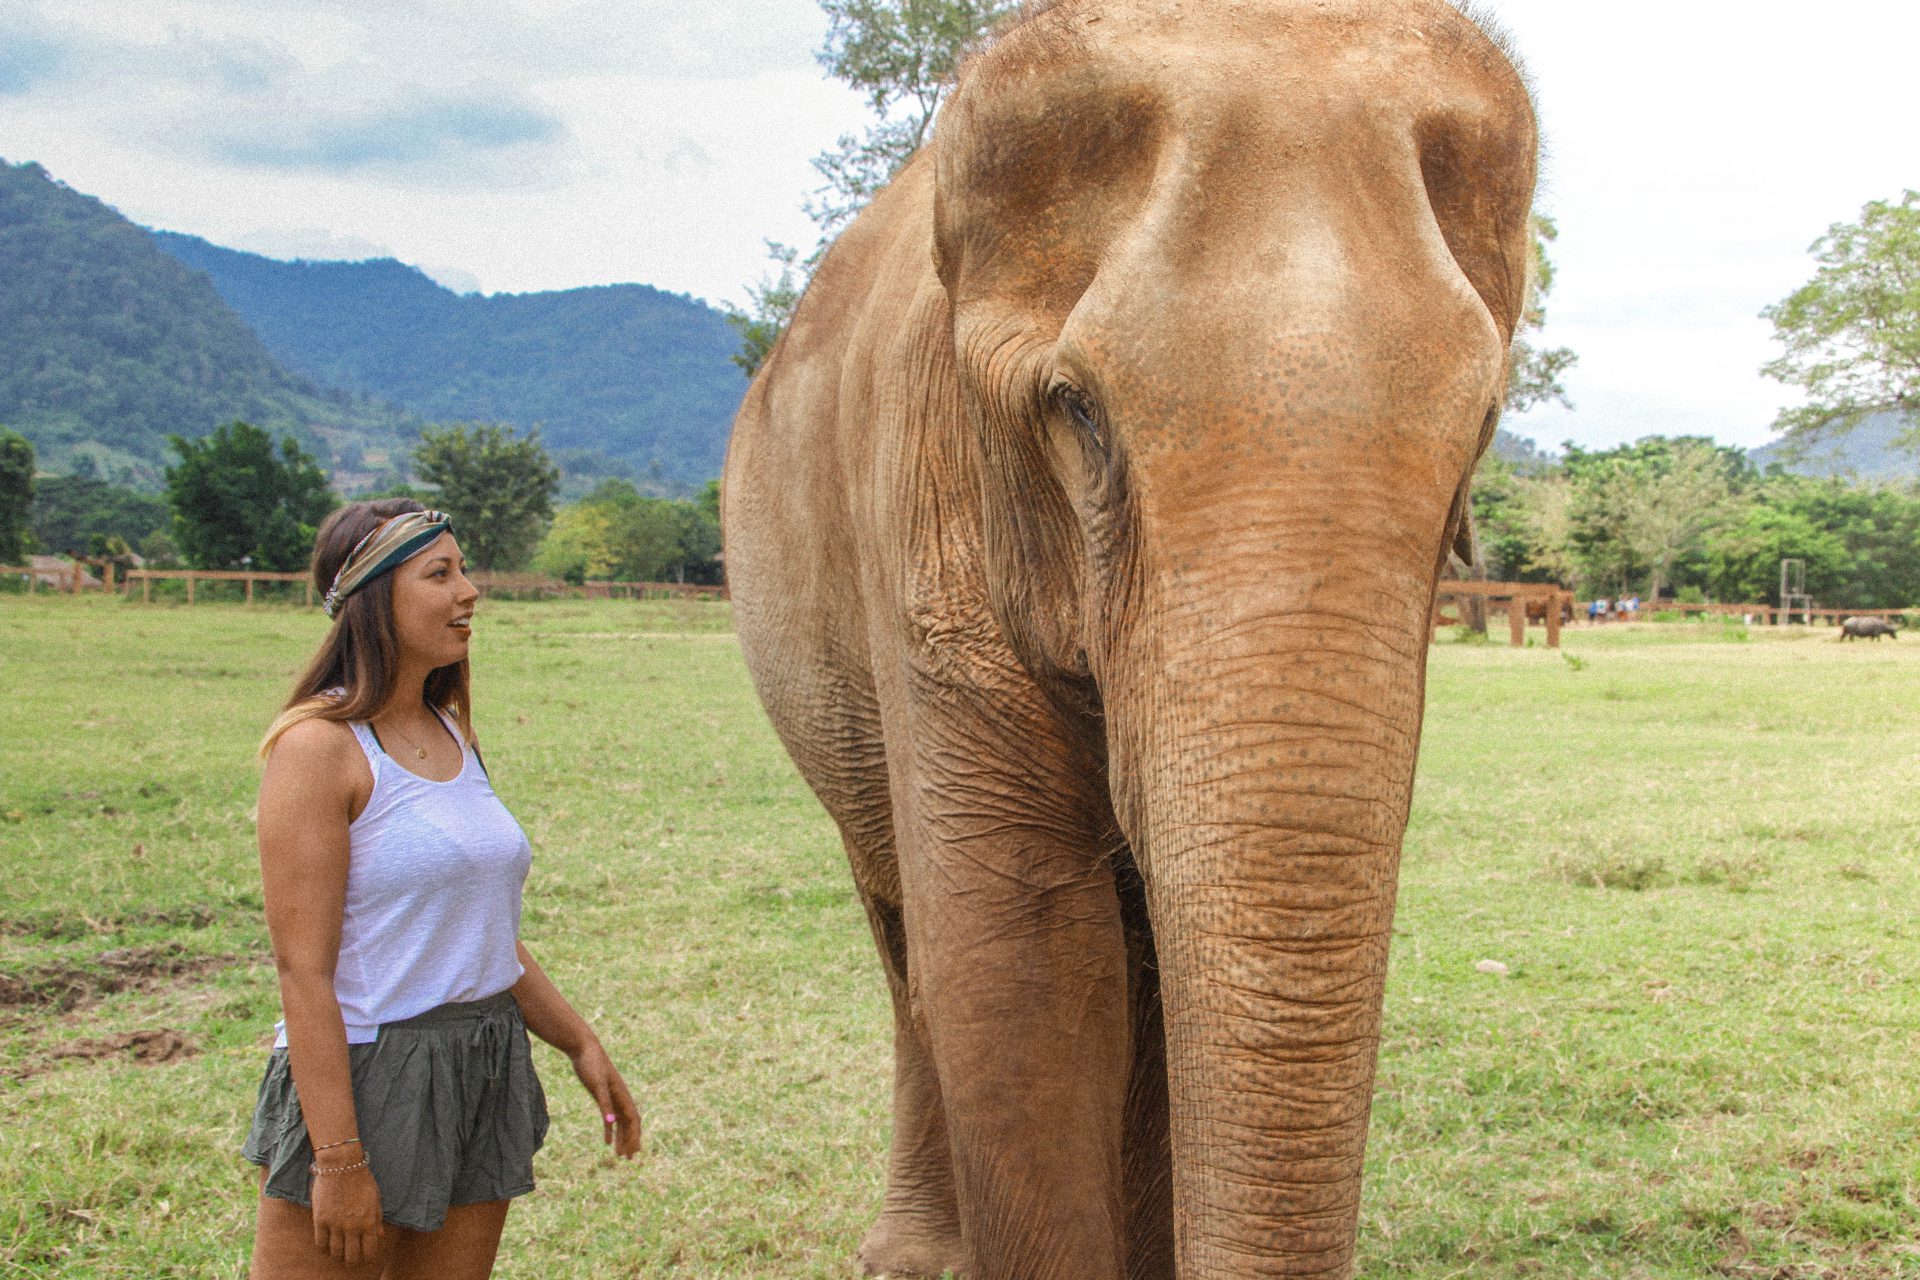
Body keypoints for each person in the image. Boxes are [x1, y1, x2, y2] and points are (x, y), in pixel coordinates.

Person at [243, 499, 641, 1279]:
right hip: (366, 1075)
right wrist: (338, 1159)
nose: (470, 592)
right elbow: (304, 973)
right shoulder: (317, 750)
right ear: (372, 598)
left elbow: (480, 935)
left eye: (463, 570)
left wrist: (578, 1042)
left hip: (481, 1060)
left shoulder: (452, 732)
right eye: (440, 573)